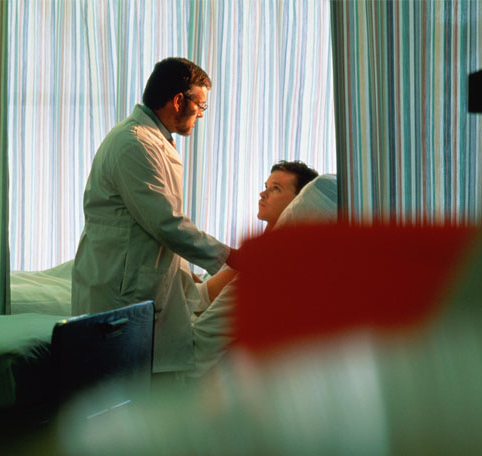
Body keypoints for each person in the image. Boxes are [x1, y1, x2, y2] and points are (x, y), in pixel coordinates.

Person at [71, 57, 234, 374]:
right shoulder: (135, 143)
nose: (201, 114)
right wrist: (231, 257)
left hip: (136, 281)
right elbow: (166, 223)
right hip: (121, 288)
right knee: (120, 386)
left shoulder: (152, 141)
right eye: (200, 106)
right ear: (178, 101)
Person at [187, 160, 322, 377]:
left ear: (298, 202)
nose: (262, 194)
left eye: (275, 189)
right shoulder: (256, 251)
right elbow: (206, 291)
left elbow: (202, 299)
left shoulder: (267, 262)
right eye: (266, 186)